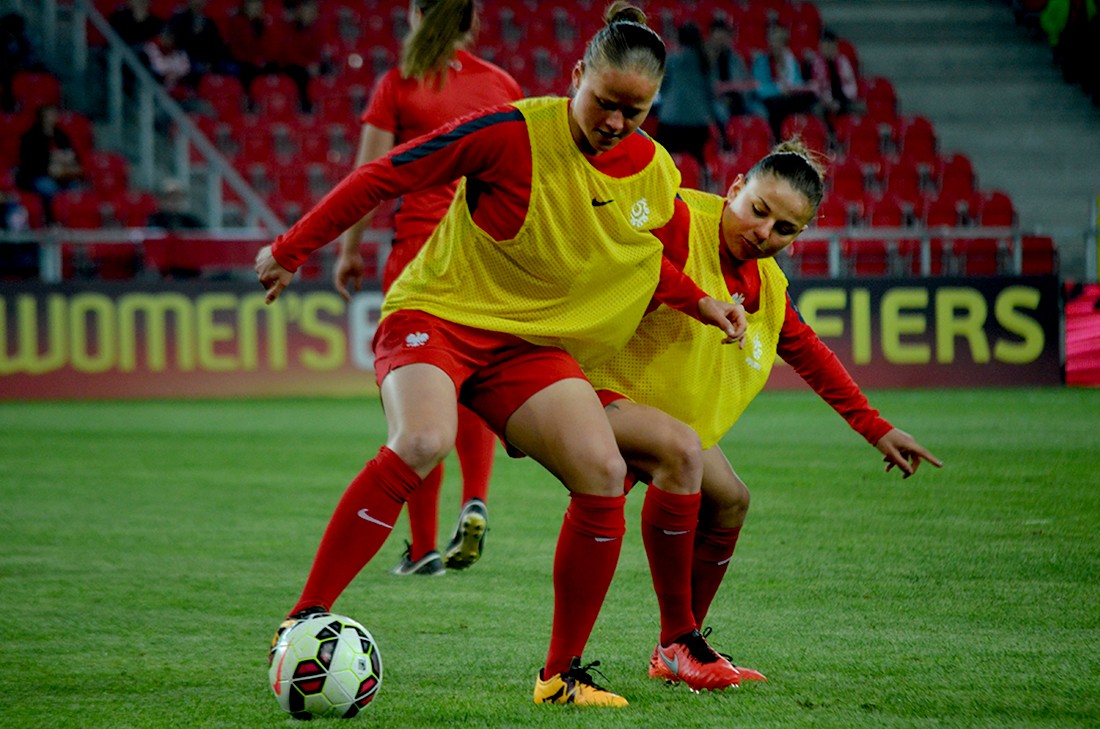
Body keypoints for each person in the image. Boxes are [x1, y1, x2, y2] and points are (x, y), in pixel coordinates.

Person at [256, 1, 748, 707]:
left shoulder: (652, 170)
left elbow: (647, 261)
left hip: (524, 344)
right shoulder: (510, 133)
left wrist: (701, 300)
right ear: (576, 76)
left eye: (634, 111)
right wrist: (290, 249)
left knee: (603, 470)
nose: (615, 122)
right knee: (424, 439)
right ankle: (302, 618)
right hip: (437, 315)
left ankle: (561, 677)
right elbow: (385, 174)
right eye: (605, 102)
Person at [586, 140, 943, 686]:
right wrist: (697, 301)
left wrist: (877, 429)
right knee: (682, 452)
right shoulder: (680, 218)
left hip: (657, 410)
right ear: (735, 189)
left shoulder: (767, 286)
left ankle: (677, 647)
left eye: (784, 229)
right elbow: (623, 262)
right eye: (758, 210)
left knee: (731, 500)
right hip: (594, 385)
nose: (764, 232)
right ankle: (677, 641)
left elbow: (810, 354)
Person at [335, 0, 522, 578]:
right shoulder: (502, 86)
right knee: (474, 386)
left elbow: (368, 179)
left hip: (418, 254)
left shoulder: (400, 84)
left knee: (420, 400)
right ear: (471, 20)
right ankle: (476, 497)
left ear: (417, 13)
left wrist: (348, 251)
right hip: (483, 256)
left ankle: (422, 550)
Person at [654, 22, 722, 184]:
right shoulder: (705, 62)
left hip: (671, 121)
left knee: (662, 161)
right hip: (697, 123)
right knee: (698, 163)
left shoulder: (672, 59)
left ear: (679, 39)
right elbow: (711, 93)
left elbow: (661, 87)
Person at [15, 103, 84, 222]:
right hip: (38, 175)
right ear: (42, 117)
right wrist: (50, 160)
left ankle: (72, 220)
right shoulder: (31, 136)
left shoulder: (61, 134)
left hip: (62, 176)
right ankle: (51, 220)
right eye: (50, 114)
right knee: (49, 188)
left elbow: (72, 154)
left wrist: (67, 157)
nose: (54, 116)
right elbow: (29, 162)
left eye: (55, 114)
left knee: (76, 187)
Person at [750, 25, 819, 140]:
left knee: (810, 101)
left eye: (780, 41)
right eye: (773, 41)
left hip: (790, 97)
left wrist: (797, 87)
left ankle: (807, 139)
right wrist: (779, 89)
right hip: (771, 100)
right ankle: (778, 140)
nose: (776, 44)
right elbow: (759, 88)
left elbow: (797, 82)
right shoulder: (761, 61)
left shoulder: (791, 61)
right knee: (778, 106)